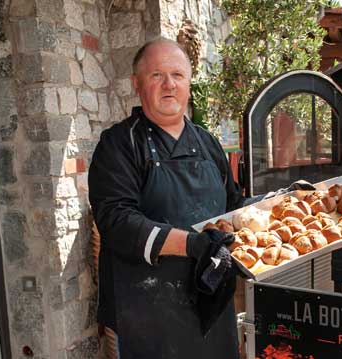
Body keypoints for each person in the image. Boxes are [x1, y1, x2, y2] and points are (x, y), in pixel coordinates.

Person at [88, 38, 244, 359]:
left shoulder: (208, 143)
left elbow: (233, 207)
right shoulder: (118, 144)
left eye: (178, 75)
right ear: (137, 84)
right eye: (156, 75)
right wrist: (191, 244)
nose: (169, 85)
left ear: (189, 83)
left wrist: (281, 202)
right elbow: (116, 221)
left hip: (211, 303)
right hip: (147, 313)